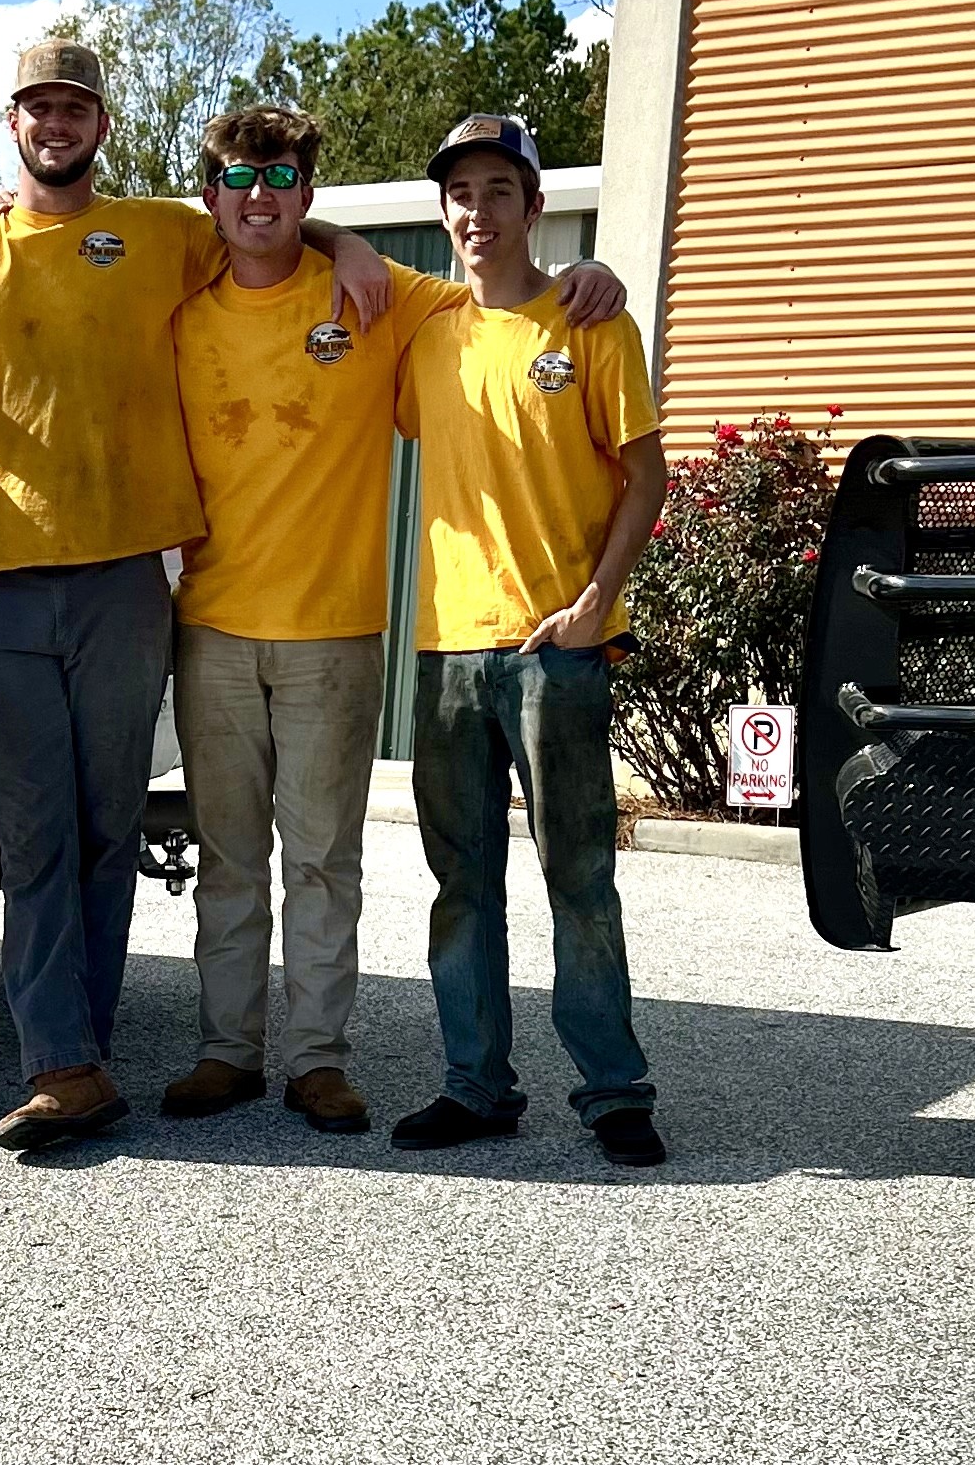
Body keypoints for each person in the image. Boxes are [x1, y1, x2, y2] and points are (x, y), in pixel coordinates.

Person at [0, 40, 390, 1153]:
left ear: (99, 122)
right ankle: (63, 1064)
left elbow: (259, 211)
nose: (56, 121)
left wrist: (349, 238)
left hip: (129, 582)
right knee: (34, 832)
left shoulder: (154, 232)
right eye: (39, 103)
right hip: (2, 587)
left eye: (74, 105)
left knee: (105, 826)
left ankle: (84, 1049)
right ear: (12, 119)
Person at [161, 104, 626, 1137]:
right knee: (228, 856)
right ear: (212, 194)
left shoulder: (383, 300)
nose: (259, 194)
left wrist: (600, 276)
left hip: (335, 629)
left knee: (324, 860)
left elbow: (524, 298)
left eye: (280, 176)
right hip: (211, 626)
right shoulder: (181, 302)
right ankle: (226, 1051)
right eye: (239, 177)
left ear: (308, 191)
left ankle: (319, 1062)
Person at [390, 113, 669, 1168]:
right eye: (460, 193)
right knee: (462, 879)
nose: (477, 211)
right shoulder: (424, 333)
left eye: (499, 190)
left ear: (534, 205)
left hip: (560, 642)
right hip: (447, 647)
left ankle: (613, 1091)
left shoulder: (591, 324)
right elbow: (323, 246)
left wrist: (599, 599)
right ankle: (475, 1085)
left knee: (579, 876)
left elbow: (644, 475)